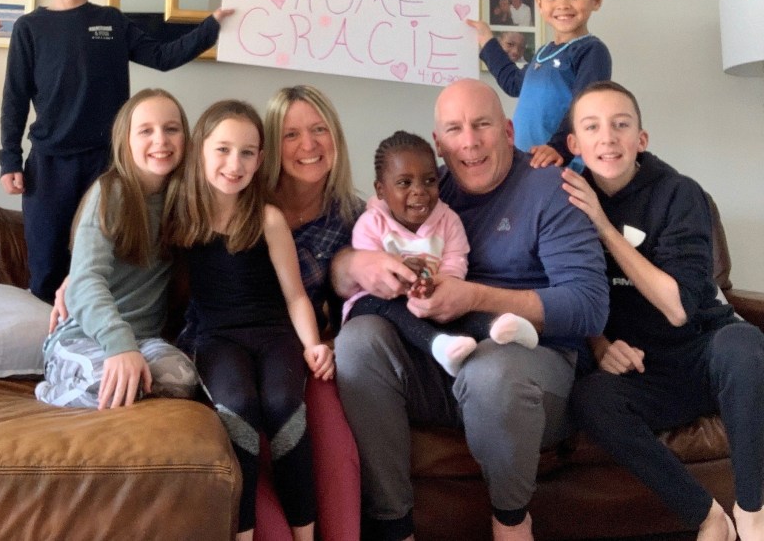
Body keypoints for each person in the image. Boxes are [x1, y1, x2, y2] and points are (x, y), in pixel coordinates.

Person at [333, 78, 609, 541]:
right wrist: (357, 262)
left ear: (506, 130)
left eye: (481, 125)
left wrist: (476, 296)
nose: (470, 141)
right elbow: (347, 268)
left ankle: (511, 523)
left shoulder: (551, 188)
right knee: (357, 343)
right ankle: (394, 524)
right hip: (439, 360)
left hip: (529, 370)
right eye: (454, 130)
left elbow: (590, 305)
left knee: (492, 372)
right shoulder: (425, 187)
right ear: (438, 143)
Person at [562, 81, 764, 541]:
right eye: (592, 127)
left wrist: (602, 224)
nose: (607, 138)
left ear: (641, 139)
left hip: (703, 353)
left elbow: (676, 308)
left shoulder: (679, 193)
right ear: (575, 143)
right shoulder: (565, 202)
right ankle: (707, 517)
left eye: (620, 125)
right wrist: (600, 343)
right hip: (644, 370)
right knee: (590, 398)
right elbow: (569, 290)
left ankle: (753, 513)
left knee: (744, 341)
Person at [0, 0, 232, 303]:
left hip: (109, 163)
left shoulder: (111, 21)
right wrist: (10, 159)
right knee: (46, 261)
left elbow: (162, 56)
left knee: (103, 256)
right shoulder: (29, 28)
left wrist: (213, 26)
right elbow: (14, 98)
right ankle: (51, 346)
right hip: (49, 164)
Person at [168, 99, 334, 541]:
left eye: (247, 152)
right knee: (238, 409)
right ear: (200, 149)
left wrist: (313, 344)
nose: (233, 164)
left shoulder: (267, 217)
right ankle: (242, 533)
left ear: (261, 159)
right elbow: (126, 248)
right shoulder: (180, 213)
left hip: (275, 334)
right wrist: (74, 280)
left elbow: (296, 295)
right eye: (222, 149)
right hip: (216, 338)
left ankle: (305, 533)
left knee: (283, 407)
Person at [35, 88, 198, 410]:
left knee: (183, 379)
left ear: (186, 138)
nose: (160, 140)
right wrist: (119, 346)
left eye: (171, 129)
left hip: (146, 340)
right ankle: (49, 390)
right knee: (107, 387)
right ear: (126, 141)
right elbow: (86, 280)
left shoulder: (187, 199)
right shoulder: (111, 193)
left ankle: (129, 378)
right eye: (146, 131)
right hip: (84, 337)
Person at [258, 84, 364, 541]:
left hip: (314, 360)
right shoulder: (242, 204)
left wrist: (336, 346)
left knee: (335, 450)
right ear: (270, 146)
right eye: (291, 134)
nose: (308, 145)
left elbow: (367, 306)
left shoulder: (355, 217)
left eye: (319, 130)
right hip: (243, 356)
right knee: (251, 444)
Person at [343, 130, 538, 377]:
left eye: (429, 181)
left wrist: (440, 284)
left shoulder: (448, 220)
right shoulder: (371, 223)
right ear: (381, 190)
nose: (419, 191)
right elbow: (371, 273)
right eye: (404, 182)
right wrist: (402, 278)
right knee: (381, 305)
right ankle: (439, 345)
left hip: (432, 297)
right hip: (382, 303)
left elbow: (456, 260)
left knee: (463, 308)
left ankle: (502, 326)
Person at [467, 0, 611, 170]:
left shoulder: (591, 50)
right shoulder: (543, 53)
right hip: (525, 163)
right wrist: (487, 41)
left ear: (596, 0)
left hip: (560, 165)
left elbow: (586, 108)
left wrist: (558, 148)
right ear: (539, 4)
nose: (562, 4)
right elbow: (513, 83)